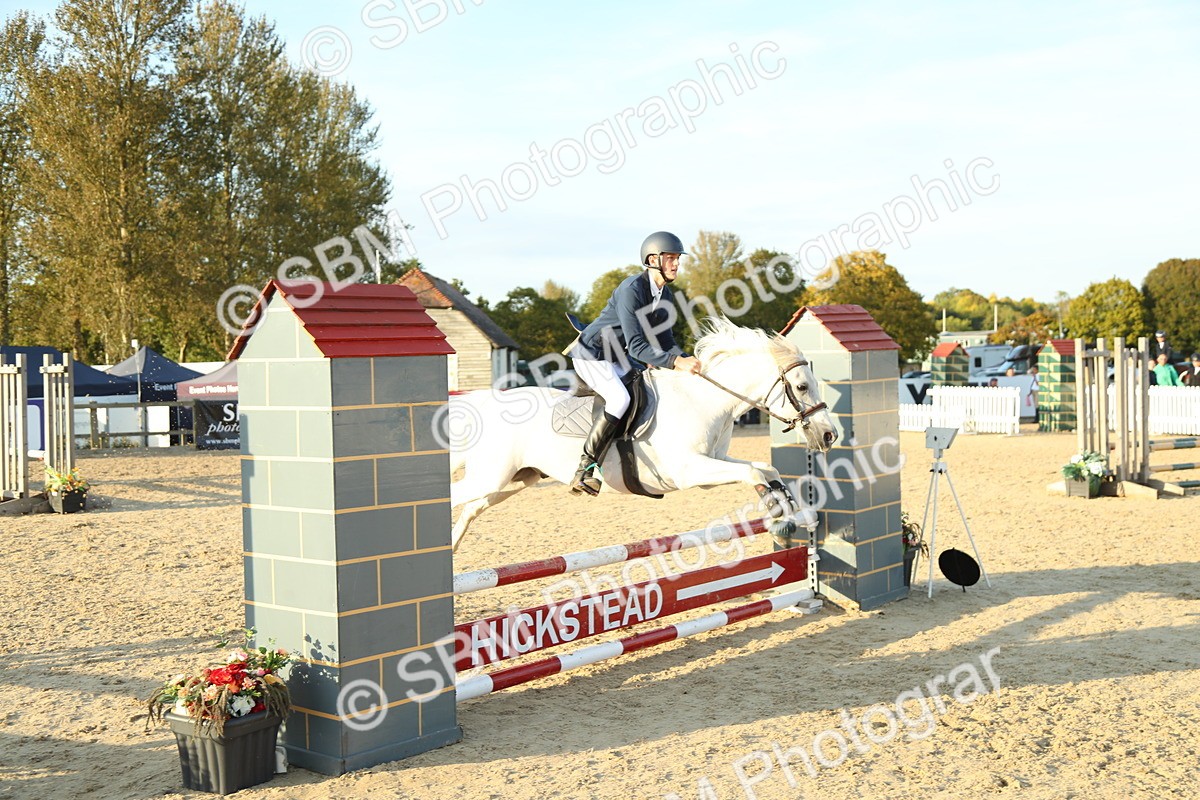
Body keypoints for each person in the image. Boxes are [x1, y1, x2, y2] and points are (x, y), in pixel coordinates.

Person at [568, 231, 702, 496]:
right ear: (653, 259)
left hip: (617, 355)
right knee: (619, 400)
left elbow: (665, 341)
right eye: (671, 258)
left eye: (678, 259)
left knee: (647, 391)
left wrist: (686, 359)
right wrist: (675, 362)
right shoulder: (632, 290)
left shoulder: (665, 296)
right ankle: (585, 468)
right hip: (592, 353)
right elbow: (639, 347)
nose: (676, 264)